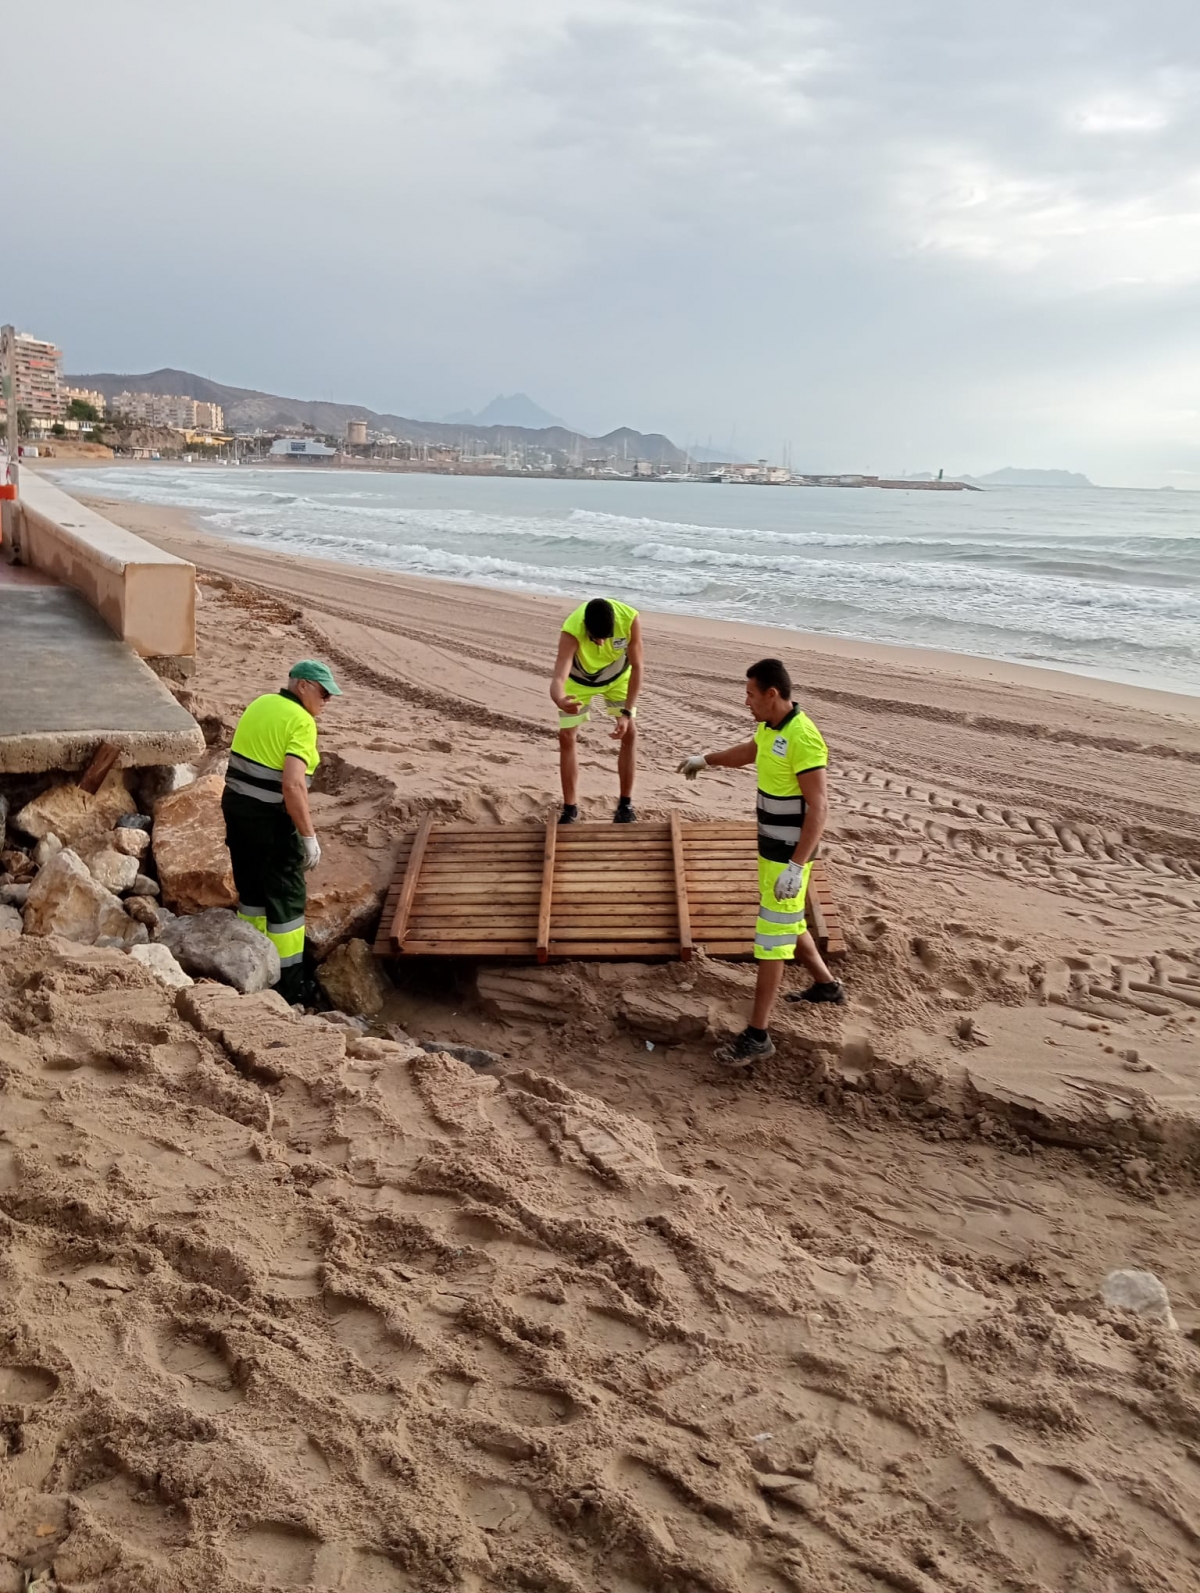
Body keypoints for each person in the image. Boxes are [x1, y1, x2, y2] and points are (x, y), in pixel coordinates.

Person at [677, 657, 844, 1064]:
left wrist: (797, 866)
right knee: (790, 923)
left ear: (772, 694)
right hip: (772, 853)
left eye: (751, 694)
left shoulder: (804, 738)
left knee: (770, 943)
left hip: (789, 857)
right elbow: (752, 751)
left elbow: (819, 807)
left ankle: (758, 1035)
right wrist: (708, 759)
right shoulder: (770, 726)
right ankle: (826, 986)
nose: (746, 701)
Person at [221, 660, 342, 1003]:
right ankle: (288, 988)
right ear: (302, 685)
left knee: (252, 892)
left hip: (237, 810)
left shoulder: (260, 704)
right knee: (286, 899)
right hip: (271, 821)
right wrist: (308, 837)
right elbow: (292, 785)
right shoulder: (301, 721)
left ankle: (250, 969)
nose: (326, 701)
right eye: (323, 693)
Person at [550, 596, 643, 824]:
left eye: (605, 637)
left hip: (617, 676)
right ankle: (570, 809)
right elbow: (559, 677)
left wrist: (626, 713)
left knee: (630, 732)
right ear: (585, 627)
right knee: (566, 736)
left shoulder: (629, 619)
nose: (601, 643)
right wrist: (560, 699)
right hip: (580, 678)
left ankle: (625, 805)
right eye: (595, 638)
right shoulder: (572, 629)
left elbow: (638, 666)